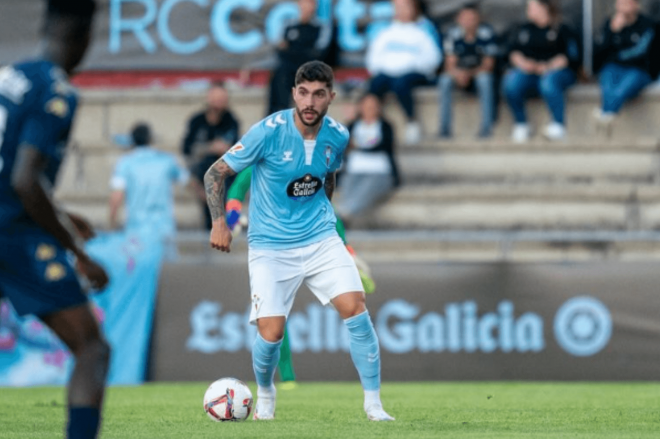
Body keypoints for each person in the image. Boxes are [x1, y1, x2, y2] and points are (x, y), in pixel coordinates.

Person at [204, 61, 393, 421]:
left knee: (356, 308)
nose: (310, 101)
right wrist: (219, 223)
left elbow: (329, 176)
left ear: (330, 97)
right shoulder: (268, 132)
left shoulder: (338, 135)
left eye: (319, 94)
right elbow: (216, 171)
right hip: (270, 246)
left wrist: (329, 225)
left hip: (319, 238)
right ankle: (266, 393)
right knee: (271, 333)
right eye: (303, 93)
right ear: (294, 93)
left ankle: (374, 405)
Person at [0, 1, 110, 438]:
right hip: (11, 232)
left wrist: (62, 213)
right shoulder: (57, 91)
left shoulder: (10, 76)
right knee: (92, 348)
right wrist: (76, 249)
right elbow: (26, 181)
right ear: (85, 37)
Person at [366, 0, 443, 146]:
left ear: (414, 9)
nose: (401, 11)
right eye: (398, 8)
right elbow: (373, 58)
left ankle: (411, 121)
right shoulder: (386, 32)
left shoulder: (423, 30)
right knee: (376, 84)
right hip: (388, 74)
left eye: (405, 7)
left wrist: (409, 66)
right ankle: (371, 123)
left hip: (414, 74)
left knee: (401, 83)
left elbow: (433, 58)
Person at [503, 0, 581, 143]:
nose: (528, 10)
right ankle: (521, 124)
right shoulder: (524, 29)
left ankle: (558, 125)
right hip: (530, 73)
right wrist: (524, 63)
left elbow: (571, 58)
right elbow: (513, 53)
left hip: (557, 74)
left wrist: (548, 66)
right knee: (511, 82)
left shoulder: (561, 29)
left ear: (544, 8)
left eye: (532, 6)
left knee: (548, 81)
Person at [109, 123, 190, 241]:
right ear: (150, 139)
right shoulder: (167, 160)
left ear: (132, 140)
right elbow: (187, 179)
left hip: (136, 230)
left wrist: (112, 223)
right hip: (164, 229)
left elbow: (117, 196)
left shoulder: (125, 163)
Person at [181, 82, 240, 230]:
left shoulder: (231, 121)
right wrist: (209, 148)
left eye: (222, 98)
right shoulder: (197, 121)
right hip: (201, 170)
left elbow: (237, 150)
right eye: (215, 98)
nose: (219, 102)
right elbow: (187, 149)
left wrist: (224, 149)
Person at [593, 0, 657, 135]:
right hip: (614, 68)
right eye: (620, 3)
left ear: (636, 5)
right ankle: (608, 114)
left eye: (627, 3)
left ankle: (606, 112)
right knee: (607, 83)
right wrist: (612, 32)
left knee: (622, 88)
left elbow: (642, 54)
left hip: (638, 70)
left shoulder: (648, 25)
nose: (622, 7)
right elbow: (597, 56)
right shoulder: (610, 24)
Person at [336, 94, 400, 224]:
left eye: (373, 106)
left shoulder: (385, 126)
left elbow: (386, 147)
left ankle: (341, 215)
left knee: (366, 190)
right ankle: (343, 215)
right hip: (354, 169)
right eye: (366, 106)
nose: (370, 109)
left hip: (379, 170)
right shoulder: (352, 125)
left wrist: (359, 147)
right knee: (348, 189)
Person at [438, 3, 499, 139]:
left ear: (478, 19)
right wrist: (459, 74)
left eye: (472, 18)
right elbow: (449, 64)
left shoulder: (486, 33)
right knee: (444, 80)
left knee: (485, 79)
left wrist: (469, 74)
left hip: (477, 73)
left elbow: (488, 64)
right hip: (459, 74)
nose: (468, 21)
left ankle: (486, 128)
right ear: (458, 19)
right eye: (465, 18)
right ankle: (444, 129)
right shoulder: (452, 34)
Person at [267, 0, 332, 115]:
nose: (307, 6)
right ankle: (276, 116)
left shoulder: (322, 27)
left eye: (310, 3)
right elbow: (280, 50)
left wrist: (292, 50)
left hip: (310, 70)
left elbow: (318, 53)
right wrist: (301, 51)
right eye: (304, 2)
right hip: (289, 69)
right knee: (280, 73)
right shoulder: (289, 26)